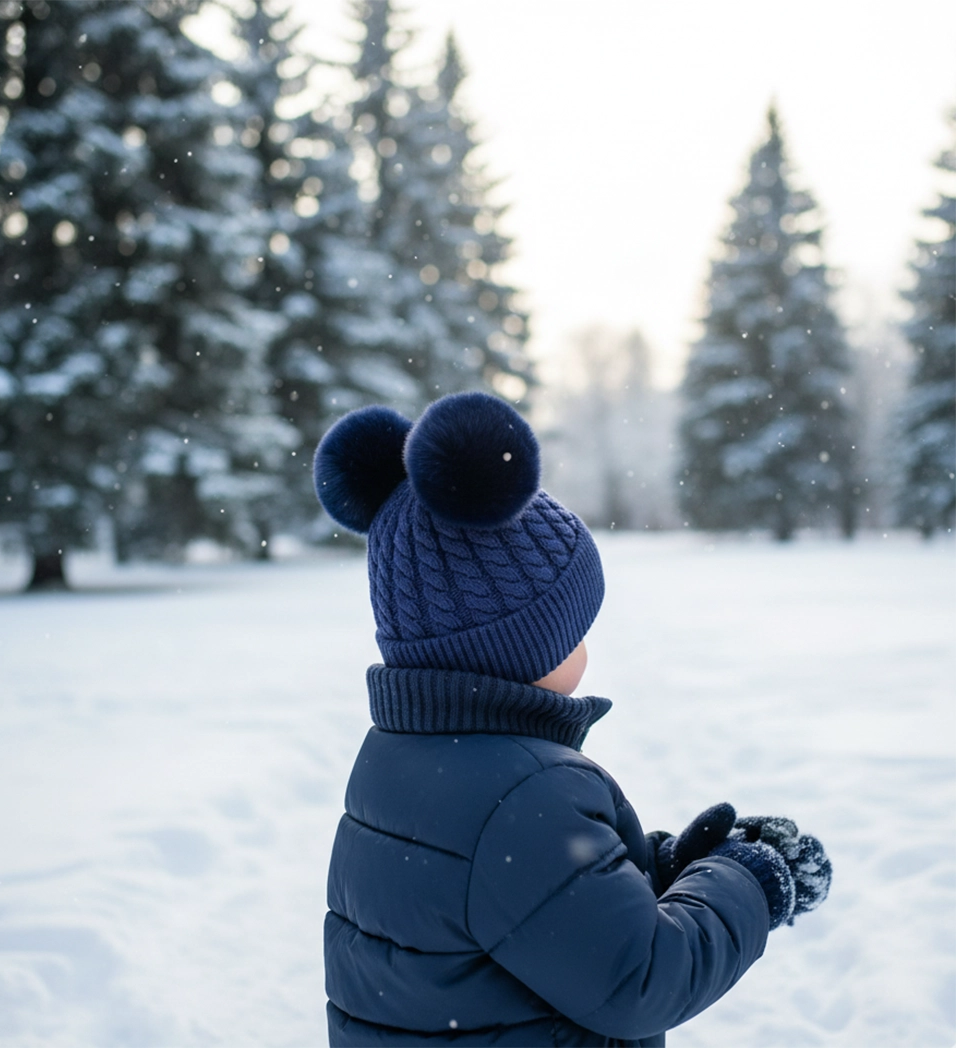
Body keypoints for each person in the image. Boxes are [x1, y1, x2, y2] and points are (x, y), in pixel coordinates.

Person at [313, 391, 831, 1047]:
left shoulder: (405, 761)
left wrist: (664, 868)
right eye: (572, 633)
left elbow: (526, 908)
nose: (586, 648)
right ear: (513, 653)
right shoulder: (522, 795)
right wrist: (750, 884)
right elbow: (643, 979)